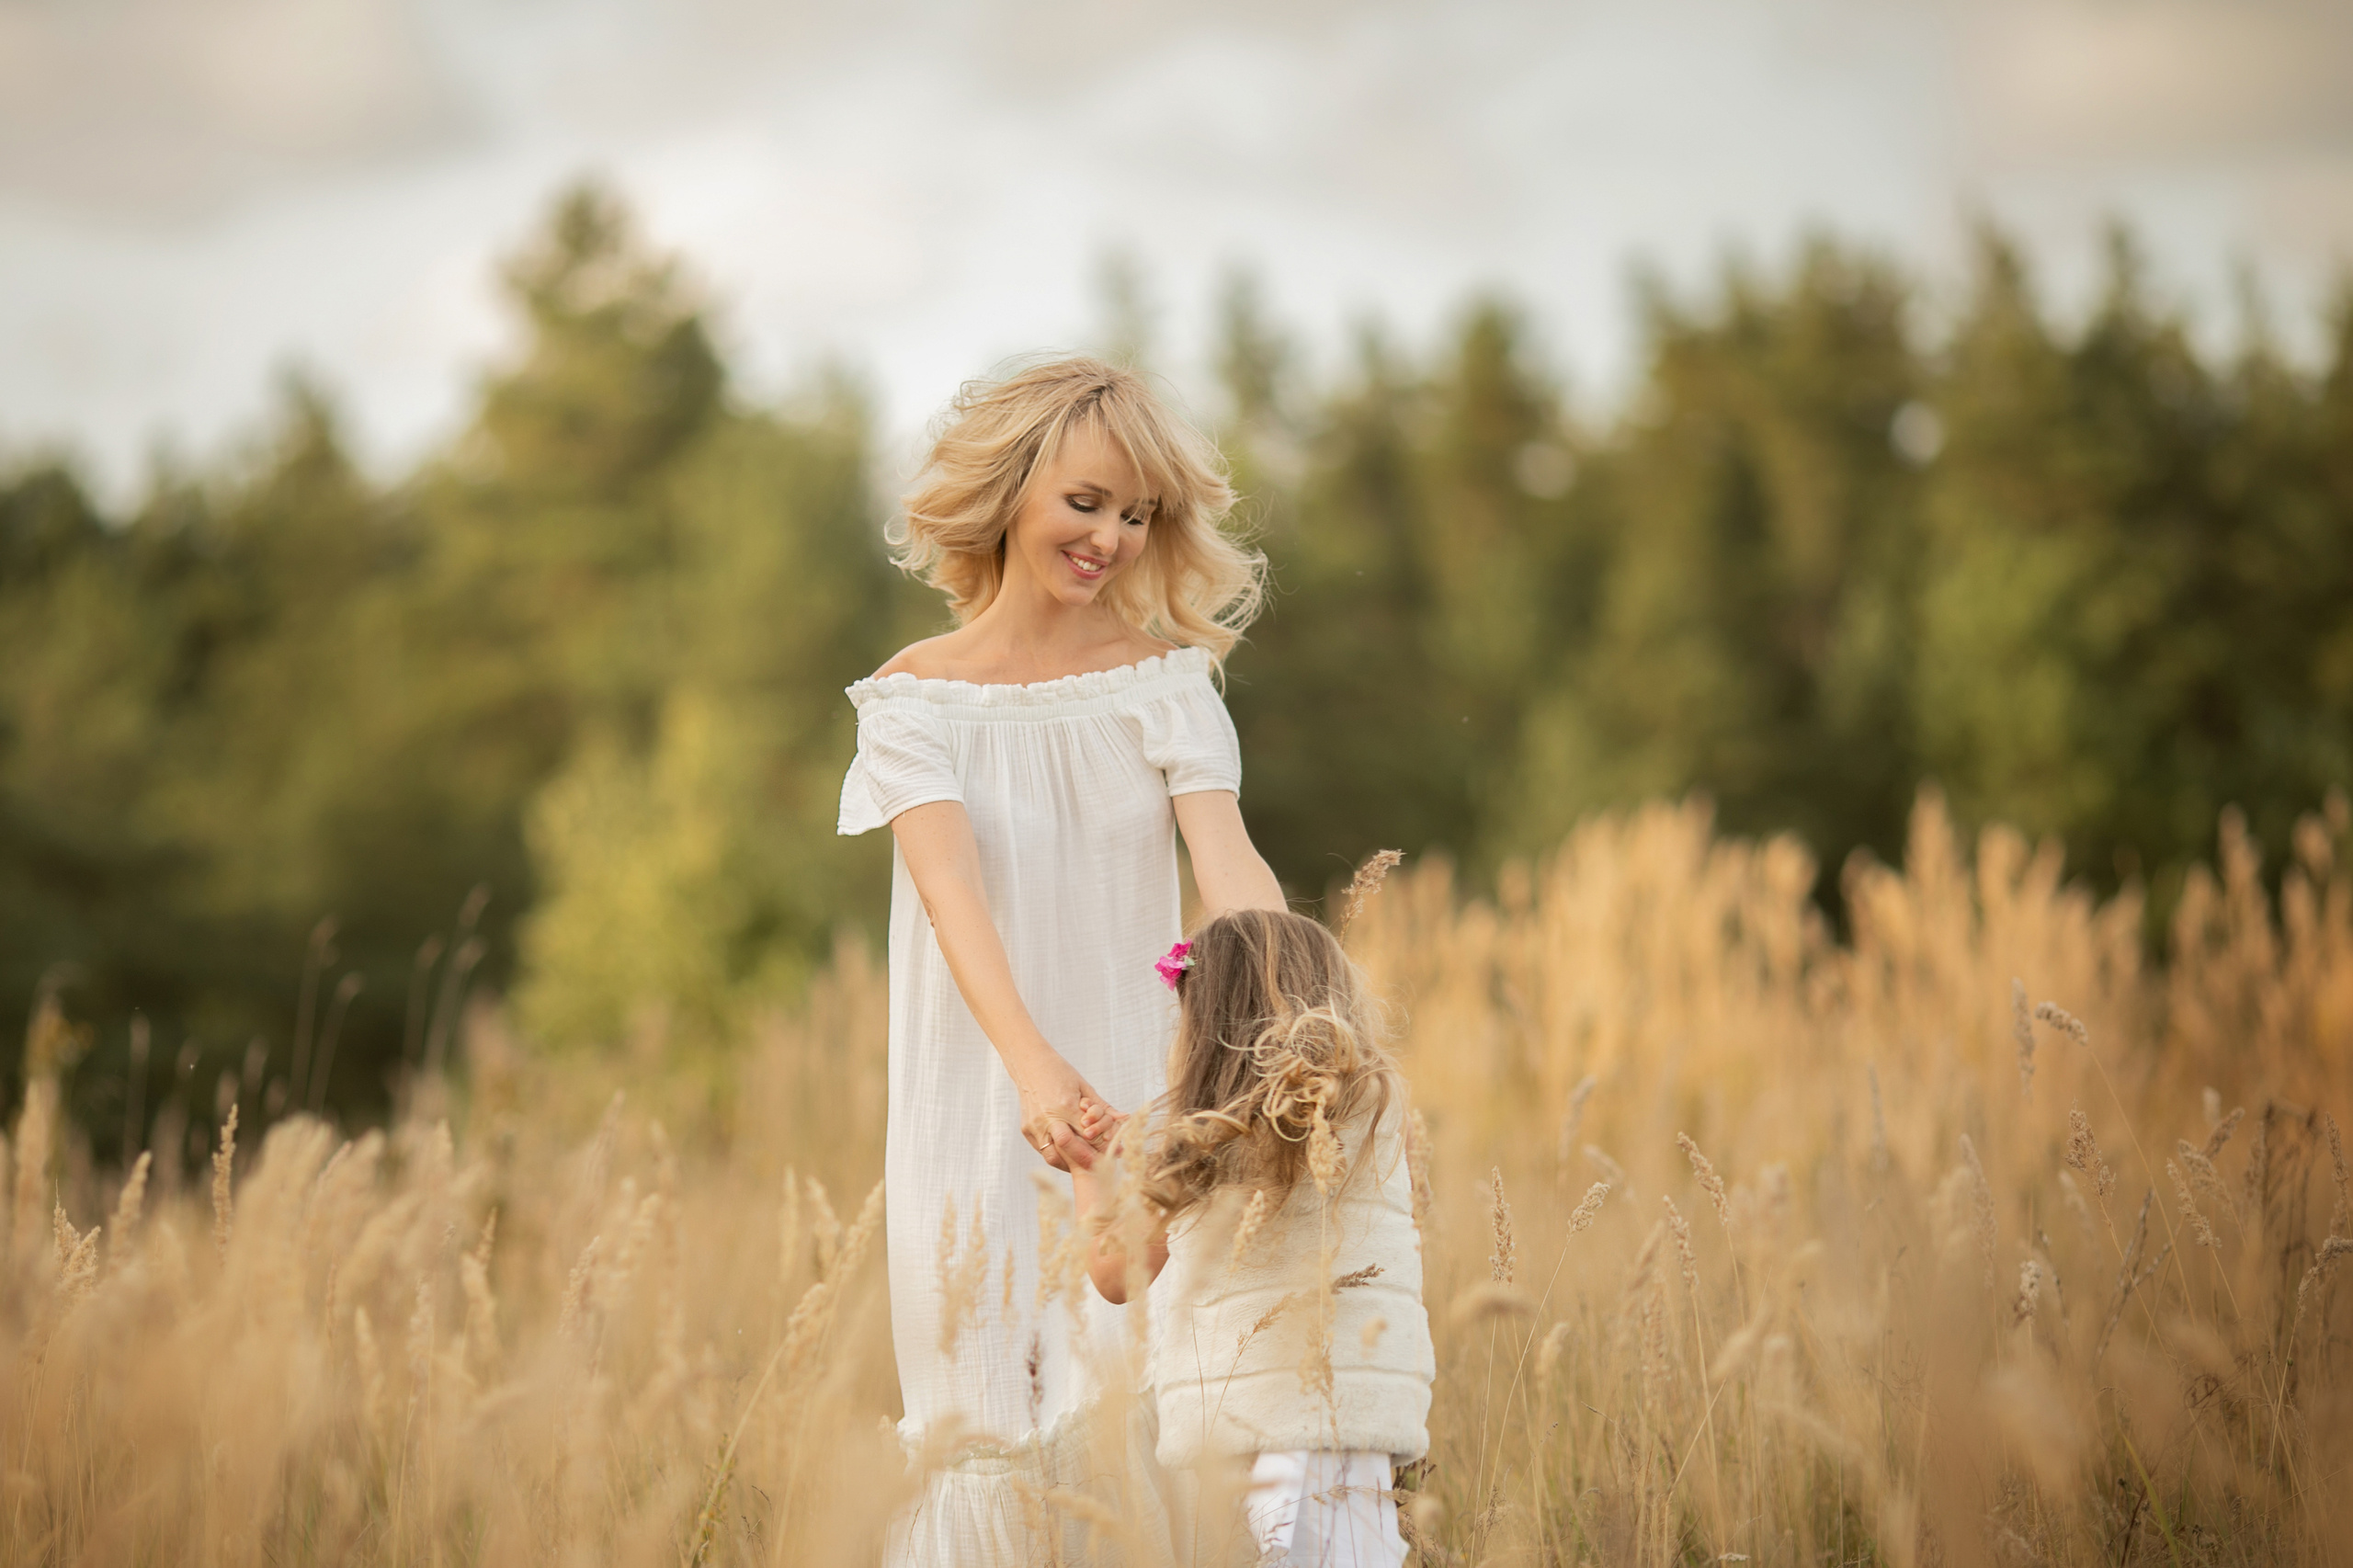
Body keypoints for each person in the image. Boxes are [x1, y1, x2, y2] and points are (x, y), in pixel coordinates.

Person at [836, 356, 1287, 1563]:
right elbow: (951, 895)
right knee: (982, 1427)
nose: (1113, 538)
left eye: (1139, 514)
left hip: (1151, 1101)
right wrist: (1039, 1075)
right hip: (981, 1103)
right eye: (1088, 501)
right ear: (1013, 485)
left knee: (1129, 1418)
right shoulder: (911, 701)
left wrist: (1276, 1015)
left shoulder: (1167, 684)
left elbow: (1229, 865)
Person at [1054, 908, 1435, 1568]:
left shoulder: (1206, 1141)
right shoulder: (1380, 1105)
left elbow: (1117, 1273)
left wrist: (1095, 1172)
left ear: (1206, 1032)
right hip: (1355, 1409)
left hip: (1270, 1422)